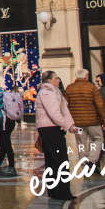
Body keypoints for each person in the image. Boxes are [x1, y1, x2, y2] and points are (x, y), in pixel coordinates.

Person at [36, 71, 77, 201]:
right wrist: (66, 125)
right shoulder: (47, 93)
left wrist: (70, 125)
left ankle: (55, 190)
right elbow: (54, 113)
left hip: (53, 128)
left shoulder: (55, 92)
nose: (59, 80)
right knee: (59, 160)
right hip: (50, 129)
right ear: (49, 80)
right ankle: (61, 192)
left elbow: (65, 110)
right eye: (56, 78)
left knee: (54, 160)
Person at [64, 68, 105, 167]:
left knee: (81, 142)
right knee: (97, 139)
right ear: (86, 76)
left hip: (77, 123)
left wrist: (68, 121)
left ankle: (83, 161)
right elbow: (99, 105)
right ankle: (92, 160)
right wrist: (104, 119)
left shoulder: (69, 88)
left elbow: (65, 106)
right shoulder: (91, 87)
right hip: (93, 122)